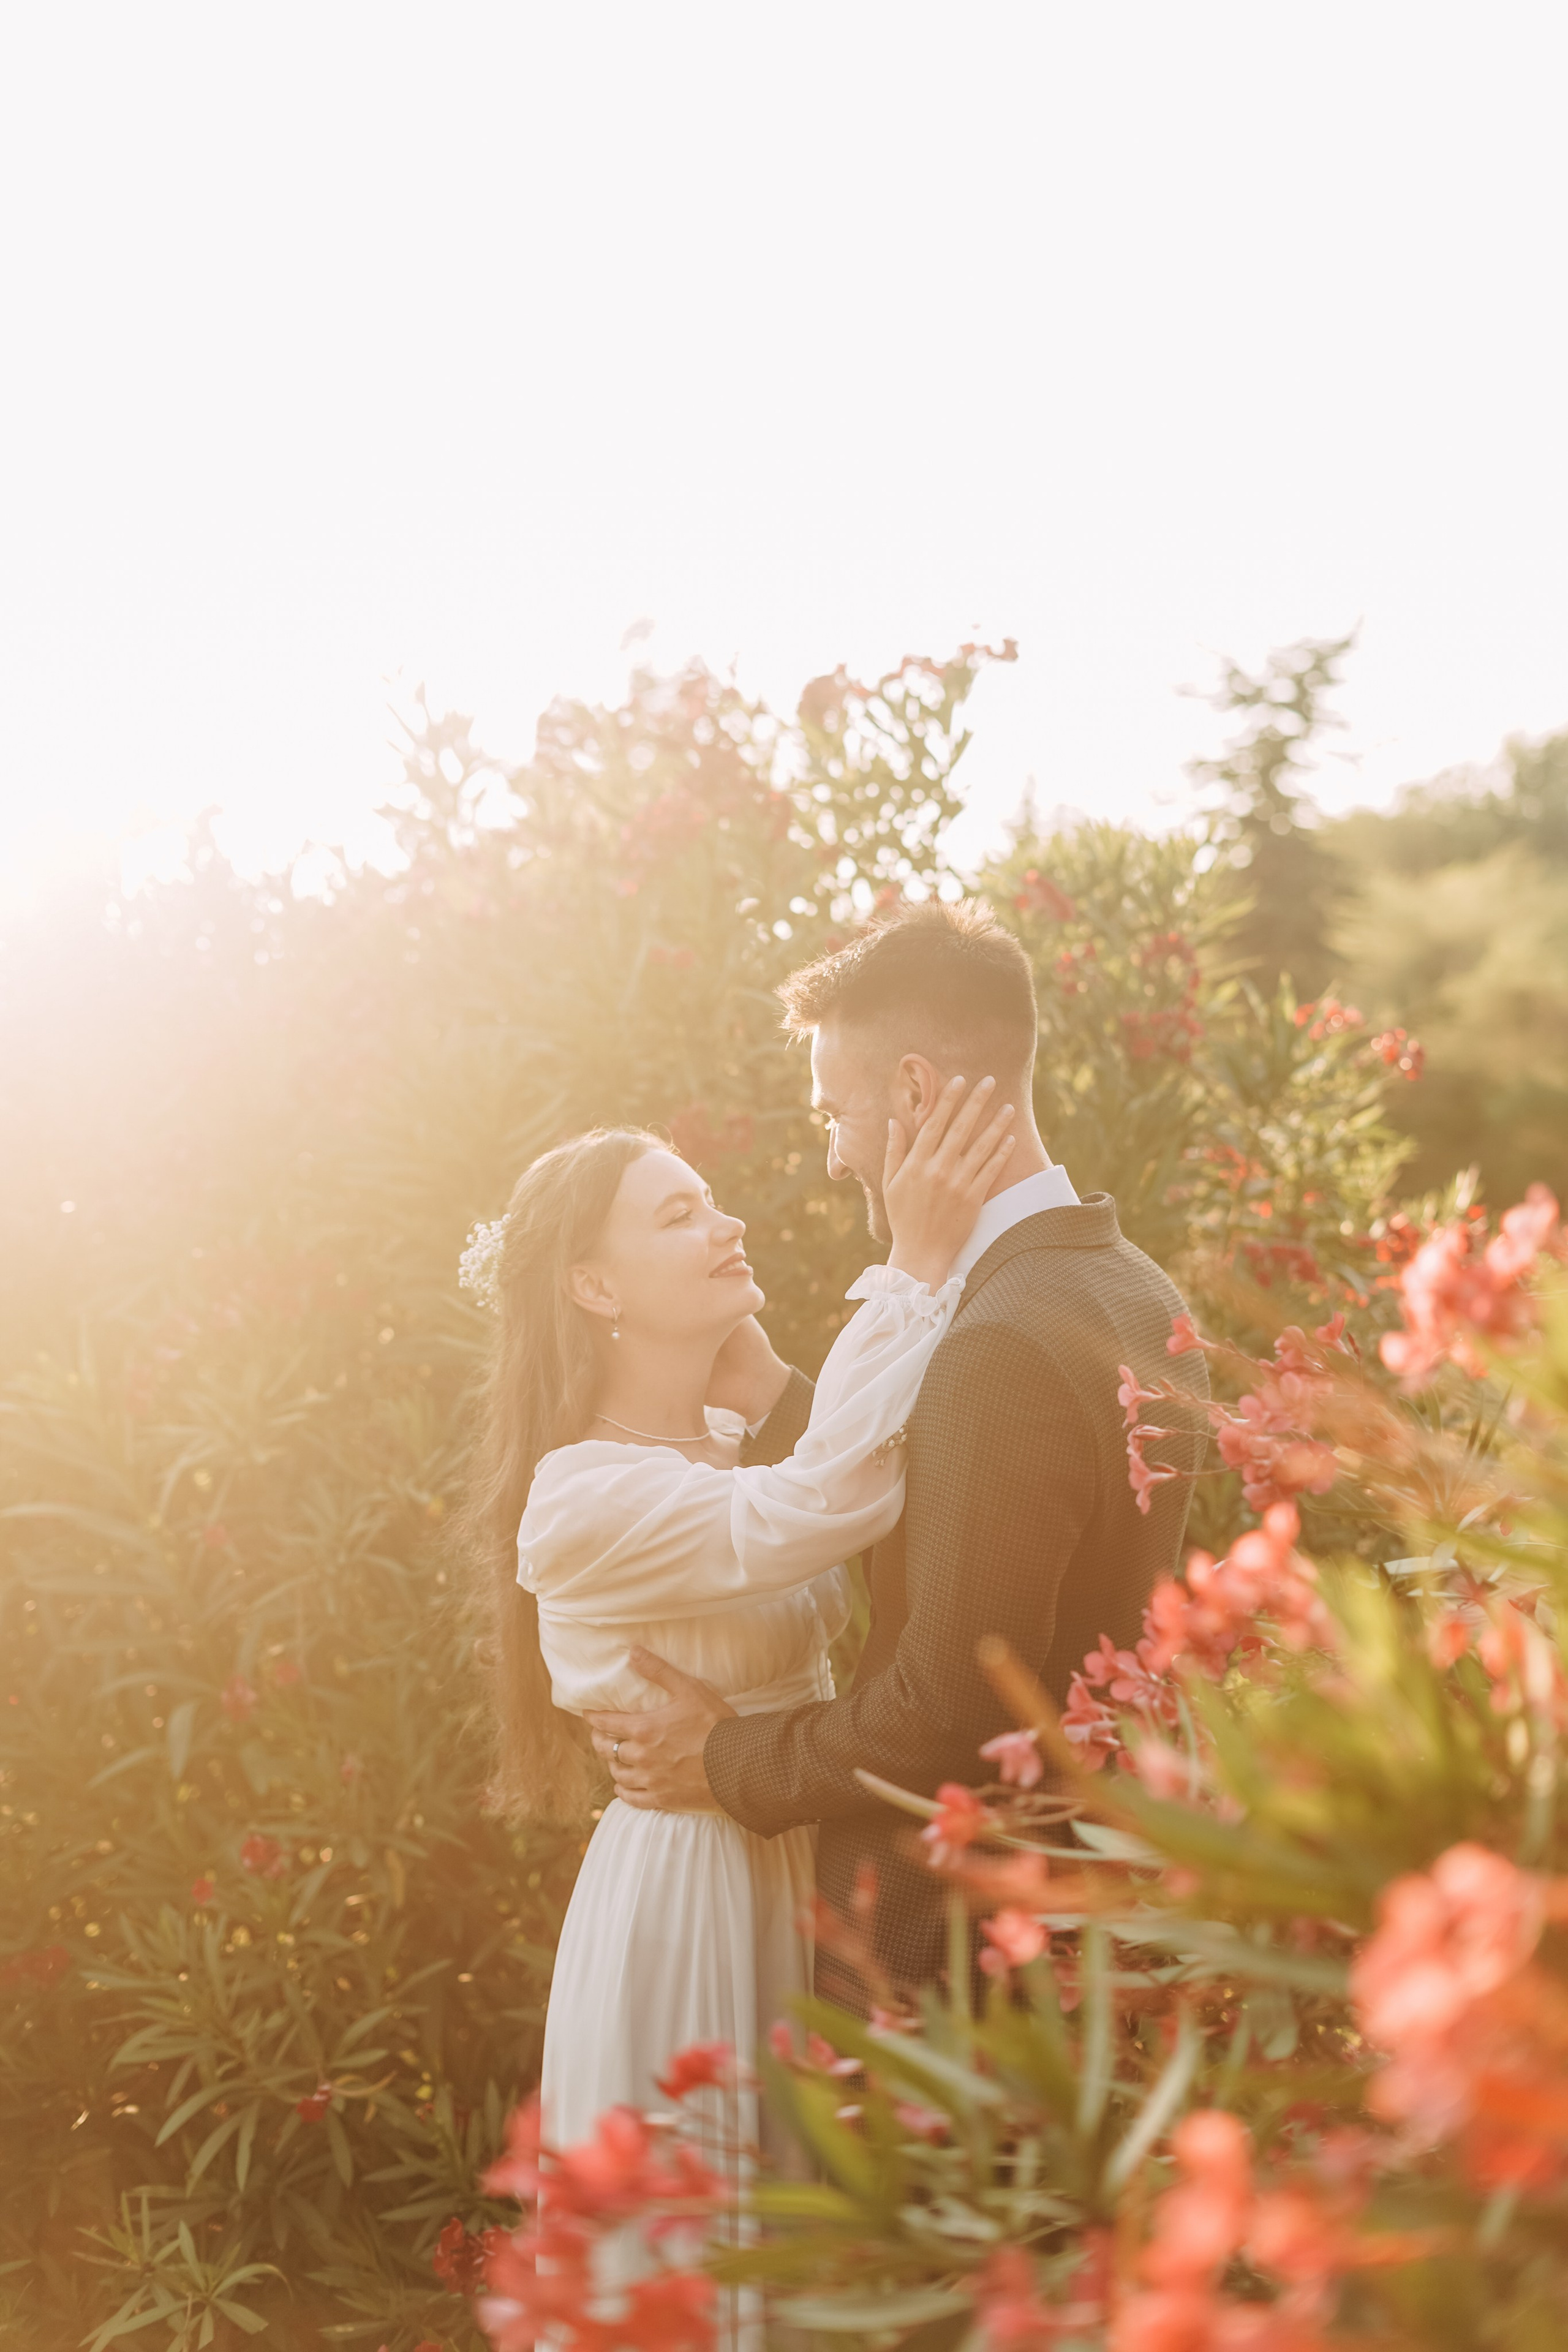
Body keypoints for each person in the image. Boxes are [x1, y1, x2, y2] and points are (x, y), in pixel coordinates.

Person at [586, 899, 1210, 2002]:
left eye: (837, 1116)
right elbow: (980, 1514)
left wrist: (728, 1761)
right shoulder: (1133, 1290)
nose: (834, 1159)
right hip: (1092, 1911)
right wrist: (787, 1405)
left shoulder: (1002, 1340)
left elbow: (949, 1705)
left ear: (916, 1093)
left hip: (953, 1959)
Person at [457, 1075, 1016, 2160]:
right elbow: (825, 1501)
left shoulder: (722, 1449)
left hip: (798, 1850)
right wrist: (915, 1267)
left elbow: (845, 1496)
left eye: (711, 1202)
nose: (730, 1225)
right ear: (592, 1286)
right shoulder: (581, 1499)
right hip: (692, 1888)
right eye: (679, 1215)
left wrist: (765, 1397)